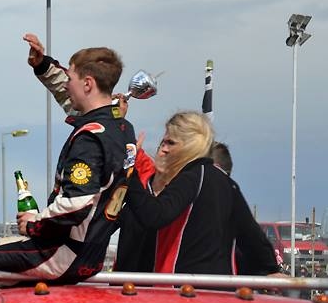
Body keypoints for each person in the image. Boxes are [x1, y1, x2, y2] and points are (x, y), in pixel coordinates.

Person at [0, 36, 135, 289]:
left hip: (63, 253)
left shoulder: (90, 137)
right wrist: (43, 65)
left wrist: (34, 222)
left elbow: (77, 204)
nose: (66, 85)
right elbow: (77, 103)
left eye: (71, 79)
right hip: (91, 253)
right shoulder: (121, 127)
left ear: (88, 84)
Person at [120, 111, 280, 275]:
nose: (164, 148)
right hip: (221, 293)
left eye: (170, 143)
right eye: (164, 142)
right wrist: (271, 269)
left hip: (182, 291)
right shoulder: (227, 183)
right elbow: (254, 238)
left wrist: (128, 169)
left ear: (190, 145)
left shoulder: (192, 177)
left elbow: (154, 215)